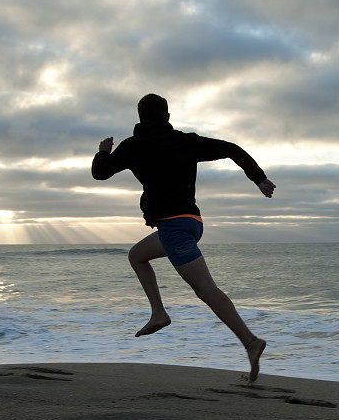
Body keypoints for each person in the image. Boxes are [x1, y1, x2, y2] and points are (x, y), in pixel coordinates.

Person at [91, 93, 275, 383]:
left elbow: (99, 173)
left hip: (175, 229)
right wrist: (259, 178)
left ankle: (250, 341)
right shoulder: (185, 141)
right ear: (166, 115)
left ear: (140, 118)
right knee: (136, 256)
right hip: (190, 223)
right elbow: (232, 149)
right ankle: (159, 313)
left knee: (206, 291)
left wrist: (103, 151)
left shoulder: (133, 147)